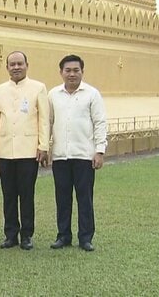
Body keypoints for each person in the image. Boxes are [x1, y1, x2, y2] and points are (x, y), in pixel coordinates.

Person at [0, 51, 49, 251]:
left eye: (19, 64)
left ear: (26, 65)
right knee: (8, 194)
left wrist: (43, 146)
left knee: (26, 194)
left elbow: (43, 120)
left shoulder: (38, 88)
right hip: (5, 150)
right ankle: (10, 234)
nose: (16, 67)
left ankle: (27, 235)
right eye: (12, 64)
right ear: (7, 67)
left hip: (29, 150)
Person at [48, 54, 108, 252]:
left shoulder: (92, 94)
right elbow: (48, 123)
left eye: (76, 70)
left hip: (84, 156)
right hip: (60, 156)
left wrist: (100, 151)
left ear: (82, 71)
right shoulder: (53, 95)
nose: (72, 74)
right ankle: (63, 236)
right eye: (68, 70)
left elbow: (99, 123)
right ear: (61, 72)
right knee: (62, 198)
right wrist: (45, 148)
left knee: (85, 198)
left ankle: (85, 237)